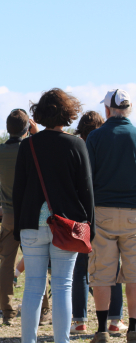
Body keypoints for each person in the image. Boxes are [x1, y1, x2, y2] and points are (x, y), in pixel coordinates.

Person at [13, 88, 95, 343]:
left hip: (31, 225)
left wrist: (19, 228)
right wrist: (88, 225)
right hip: (66, 225)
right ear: (67, 113)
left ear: (40, 113)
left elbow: (19, 189)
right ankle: (62, 341)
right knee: (62, 286)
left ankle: (28, 341)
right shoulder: (77, 144)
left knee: (33, 288)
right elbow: (86, 190)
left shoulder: (28, 145)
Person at [0, 109, 51, 326]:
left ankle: (7, 311)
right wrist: (35, 134)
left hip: (8, 214)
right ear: (27, 128)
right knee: (37, 263)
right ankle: (43, 310)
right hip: (32, 215)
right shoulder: (34, 149)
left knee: (6, 263)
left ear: (8, 128)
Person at [87, 89, 136, 343]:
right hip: (134, 213)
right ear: (128, 109)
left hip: (103, 212)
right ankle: (134, 328)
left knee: (102, 273)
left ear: (107, 110)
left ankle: (102, 330)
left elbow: (86, 178)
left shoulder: (95, 136)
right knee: (134, 273)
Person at [71, 110, 126, 334]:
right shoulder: (106, 148)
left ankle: (80, 321)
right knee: (112, 269)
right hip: (103, 213)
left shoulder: (75, 148)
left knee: (80, 270)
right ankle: (115, 321)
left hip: (79, 215)